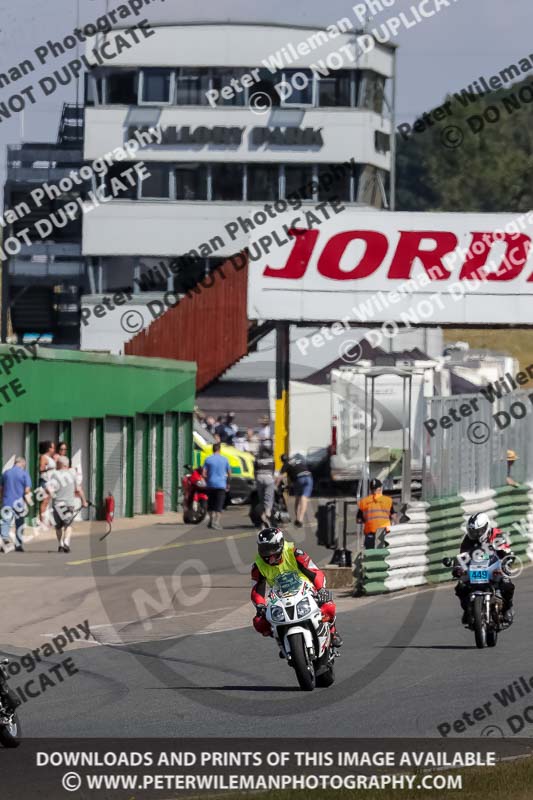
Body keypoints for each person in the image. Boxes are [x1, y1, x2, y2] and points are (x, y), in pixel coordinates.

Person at [250, 527, 342, 648]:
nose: (268, 554)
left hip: (305, 589)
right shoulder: (258, 566)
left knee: (328, 606)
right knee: (259, 623)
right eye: (264, 549)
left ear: (280, 544)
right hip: (280, 596)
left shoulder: (294, 553)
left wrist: (321, 589)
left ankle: (332, 631)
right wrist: (260, 605)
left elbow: (314, 572)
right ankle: (281, 638)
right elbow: (257, 589)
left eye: (271, 549)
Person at [453, 512, 515, 624]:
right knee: (460, 587)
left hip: (494, 567)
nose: (475, 534)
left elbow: (507, 552)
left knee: (507, 585)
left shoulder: (497, 535)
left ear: (486, 527)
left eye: (478, 531)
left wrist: (507, 563)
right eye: (472, 531)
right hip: (476, 569)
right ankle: (467, 610)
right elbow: (462, 556)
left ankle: (507, 608)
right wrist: (458, 568)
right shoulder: (468, 539)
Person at [47, 456, 88, 553]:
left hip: (57, 504)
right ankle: (66, 542)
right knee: (68, 525)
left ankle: (60, 544)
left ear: (59, 464)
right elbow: (78, 489)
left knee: (58, 527)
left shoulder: (54, 475)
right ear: (66, 465)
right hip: (68, 504)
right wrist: (84, 501)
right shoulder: (72, 475)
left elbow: (50, 490)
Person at [0, 457, 32, 553]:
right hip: (19, 504)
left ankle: (4, 540)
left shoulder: (6, 473)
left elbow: (1, 488)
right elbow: (27, 490)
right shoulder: (24, 474)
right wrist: (28, 503)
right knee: (20, 524)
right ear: (22, 464)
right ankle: (18, 544)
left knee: (5, 522)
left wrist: (1, 498)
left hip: (7, 501)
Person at [357, 479, 395, 549]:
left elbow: (359, 520)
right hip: (385, 533)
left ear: (370, 489)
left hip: (370, 534)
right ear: (380, 488)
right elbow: (393, 516)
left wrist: (367, 521)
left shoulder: (364, 502)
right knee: (386, 555)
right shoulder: (388, 500)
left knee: (370, 556)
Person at [279, 453, 313, 528]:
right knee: (304, 498)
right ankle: (300, 519)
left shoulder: (286, 464)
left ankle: (297, 518)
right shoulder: (298, 460)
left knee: (298, 498)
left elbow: (281, 477)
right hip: (308, 477)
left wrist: (278, 485)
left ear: (282, 461)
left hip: (299, 479)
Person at [203, 442, 231, 530]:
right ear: (219, 450)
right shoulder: (225, 459)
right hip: (221, 485)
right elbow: (229, 473)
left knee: (210, 504)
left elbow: (204, 473)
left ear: (212, 450)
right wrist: (228, 483)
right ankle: (216, 522)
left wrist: (208, 480)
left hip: (210, 484)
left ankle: (211, 520)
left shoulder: (208, 459)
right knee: (219, 505)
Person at [255, 443, 276, 526]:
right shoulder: (271, 459)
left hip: (259, 478)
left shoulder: (257, 459)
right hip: (269, 479)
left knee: (261, 500)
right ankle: (267, 516)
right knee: (268, 500)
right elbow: (273, 471)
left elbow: (254, 471)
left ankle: (263, 518)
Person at [38, 440, 56, 525]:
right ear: (49, 448)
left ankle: (47, 520)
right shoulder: (43, 457)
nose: (54, 449)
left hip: (50, 482)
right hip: (45, 481)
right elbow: (41, 469)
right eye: (52, 447)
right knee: (44, 502)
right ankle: (42, 521)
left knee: (48, 501)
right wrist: (50, 469)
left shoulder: (51, 458)